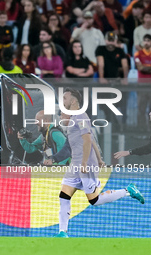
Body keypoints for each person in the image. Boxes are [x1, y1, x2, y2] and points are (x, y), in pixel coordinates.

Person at [55, 88, 144, 238]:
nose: (63, 101)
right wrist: (100, 158)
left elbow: (88, 140)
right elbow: (92, 139)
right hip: (76, 165)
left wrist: (85, 162)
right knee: (64, 196)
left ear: (74, 100)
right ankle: (62, 232)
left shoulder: (81, 116)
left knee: (95, 200)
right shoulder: (74, 119)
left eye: (65, 98)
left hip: (85, 165)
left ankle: (128, 190)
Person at [134, 34, 151, 127]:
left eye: (148, 40)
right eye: (145, 40)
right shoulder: (138, 54)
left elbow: (142, 67)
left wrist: (144, 67)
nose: (146, 42)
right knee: (141, 109)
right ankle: (141, 131)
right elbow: (139, 67)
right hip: (141, 86)